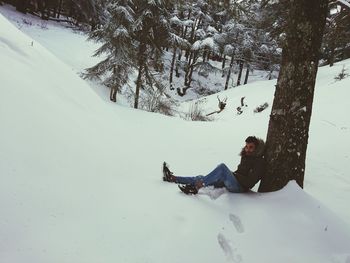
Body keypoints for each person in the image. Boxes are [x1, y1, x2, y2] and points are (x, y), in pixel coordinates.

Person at [163, 136, 266, 194]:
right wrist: (233, 175)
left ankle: (196, 187)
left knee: (222, 168)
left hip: (239, 188)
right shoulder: (246, 156)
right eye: (246, 147)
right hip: (233, 181)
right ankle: (173, 178)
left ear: (256, 148)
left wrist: (234, 175)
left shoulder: (259, 162)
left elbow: (250, 183)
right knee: (201, 177)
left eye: (251, 147)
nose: (247, 149)